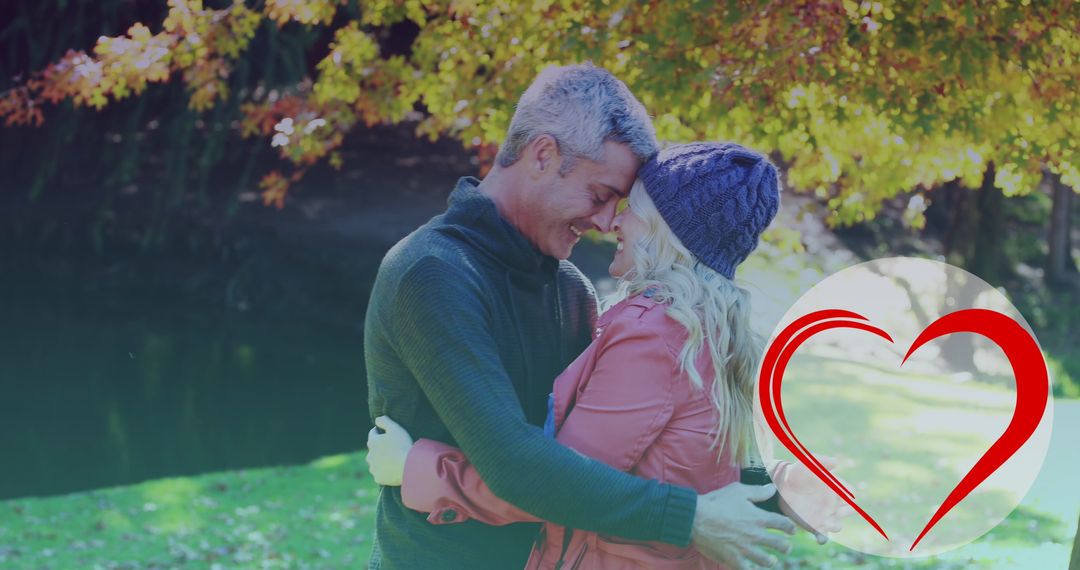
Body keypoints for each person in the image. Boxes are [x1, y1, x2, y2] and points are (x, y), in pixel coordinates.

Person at [363, 63, 797, 570]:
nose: (605, 220)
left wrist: (766, 494)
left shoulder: (572, 290)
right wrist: (692, 518)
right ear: (543, 154)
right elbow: (516, 465)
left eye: (620, 204)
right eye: (599, 195)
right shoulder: (434, 273)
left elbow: (615, 464)